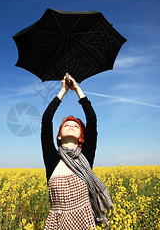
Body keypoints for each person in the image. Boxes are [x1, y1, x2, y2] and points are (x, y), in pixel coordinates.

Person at [41, 74, 113, 230]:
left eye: (76, 126)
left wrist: (78, 90)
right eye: (66, 125)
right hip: (57, 223)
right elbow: (46, 121)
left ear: (82, 136)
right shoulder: (53, 160)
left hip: (84, 222)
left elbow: (92, 120)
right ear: (59, 135)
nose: (71, 126)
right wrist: (63, 91)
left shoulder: (85, 157)